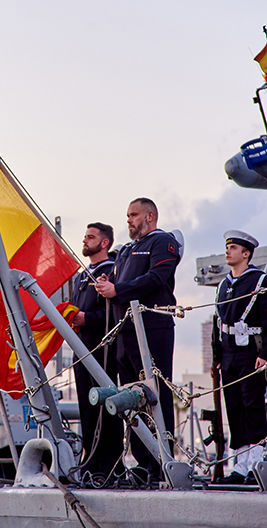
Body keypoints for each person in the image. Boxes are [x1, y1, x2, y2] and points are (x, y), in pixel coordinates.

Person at [95, 198, 181, 484]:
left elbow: (156, 278)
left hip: (152, 328)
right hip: (126, 331)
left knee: (154, 395)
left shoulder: (162, 242)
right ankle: (144, 463)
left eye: (134, 214)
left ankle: (162, 462)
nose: (129, 220)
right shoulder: (127, 250)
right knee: (131, 398)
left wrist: (116, 289)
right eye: (127, 215)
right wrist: (109, 285)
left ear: (150, 216)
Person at [211, 230, 267, 486]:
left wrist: (265, 354)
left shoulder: (260, 281)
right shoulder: (224, 284)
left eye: (233, 247)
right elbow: (217, 323)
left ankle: (256, 464)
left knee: (252, 406)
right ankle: (240, 466)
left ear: (246, 254)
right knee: (233, 407)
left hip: (251, 352)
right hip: (229, 352)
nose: (227, 251)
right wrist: (216, 357)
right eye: (227, 247)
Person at [72, 222, 124, 479]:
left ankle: (110, 463)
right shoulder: (83, 275)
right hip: (81, 348)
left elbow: (115, 312)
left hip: (102, 348)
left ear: (104, 243)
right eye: (85, 236)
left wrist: (87, 319)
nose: (85, 240)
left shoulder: (112, 272)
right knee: (86, 406)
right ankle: (90, 457)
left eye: (91, 237)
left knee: (105, 404)